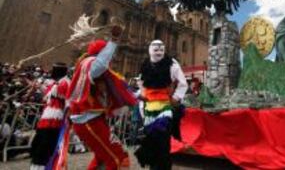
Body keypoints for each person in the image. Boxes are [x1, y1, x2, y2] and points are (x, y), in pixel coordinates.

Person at [66, 25, 137, 170]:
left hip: (96, 119)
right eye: (108, 55)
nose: (111, 59)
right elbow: (100, 64)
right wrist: (114, 41)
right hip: (88, 121)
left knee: (102, 158)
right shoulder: (89, 64)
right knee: (117, 157)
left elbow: (122, 89)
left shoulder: (101, 71)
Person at [135, 39, 188, 170]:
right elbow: (142, 85)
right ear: (150, 50)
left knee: (163, 144)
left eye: (160, 49)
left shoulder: (172, 64)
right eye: (155, 49)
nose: (158, 51)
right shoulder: (145, 65)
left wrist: (176, 97)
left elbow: (183, 83)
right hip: (148, 112)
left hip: (164, 110)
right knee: (151, 145)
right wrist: (140, 99)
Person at [30, 63, 70, 170]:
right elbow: (49, 94)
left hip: (55, 121)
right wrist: (38, 87)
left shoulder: (65, 83)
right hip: (45, 119)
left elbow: (68, 102)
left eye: (54, 70)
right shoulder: (55, 83)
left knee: (45, 147)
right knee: (36, 145)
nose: (52, 72)